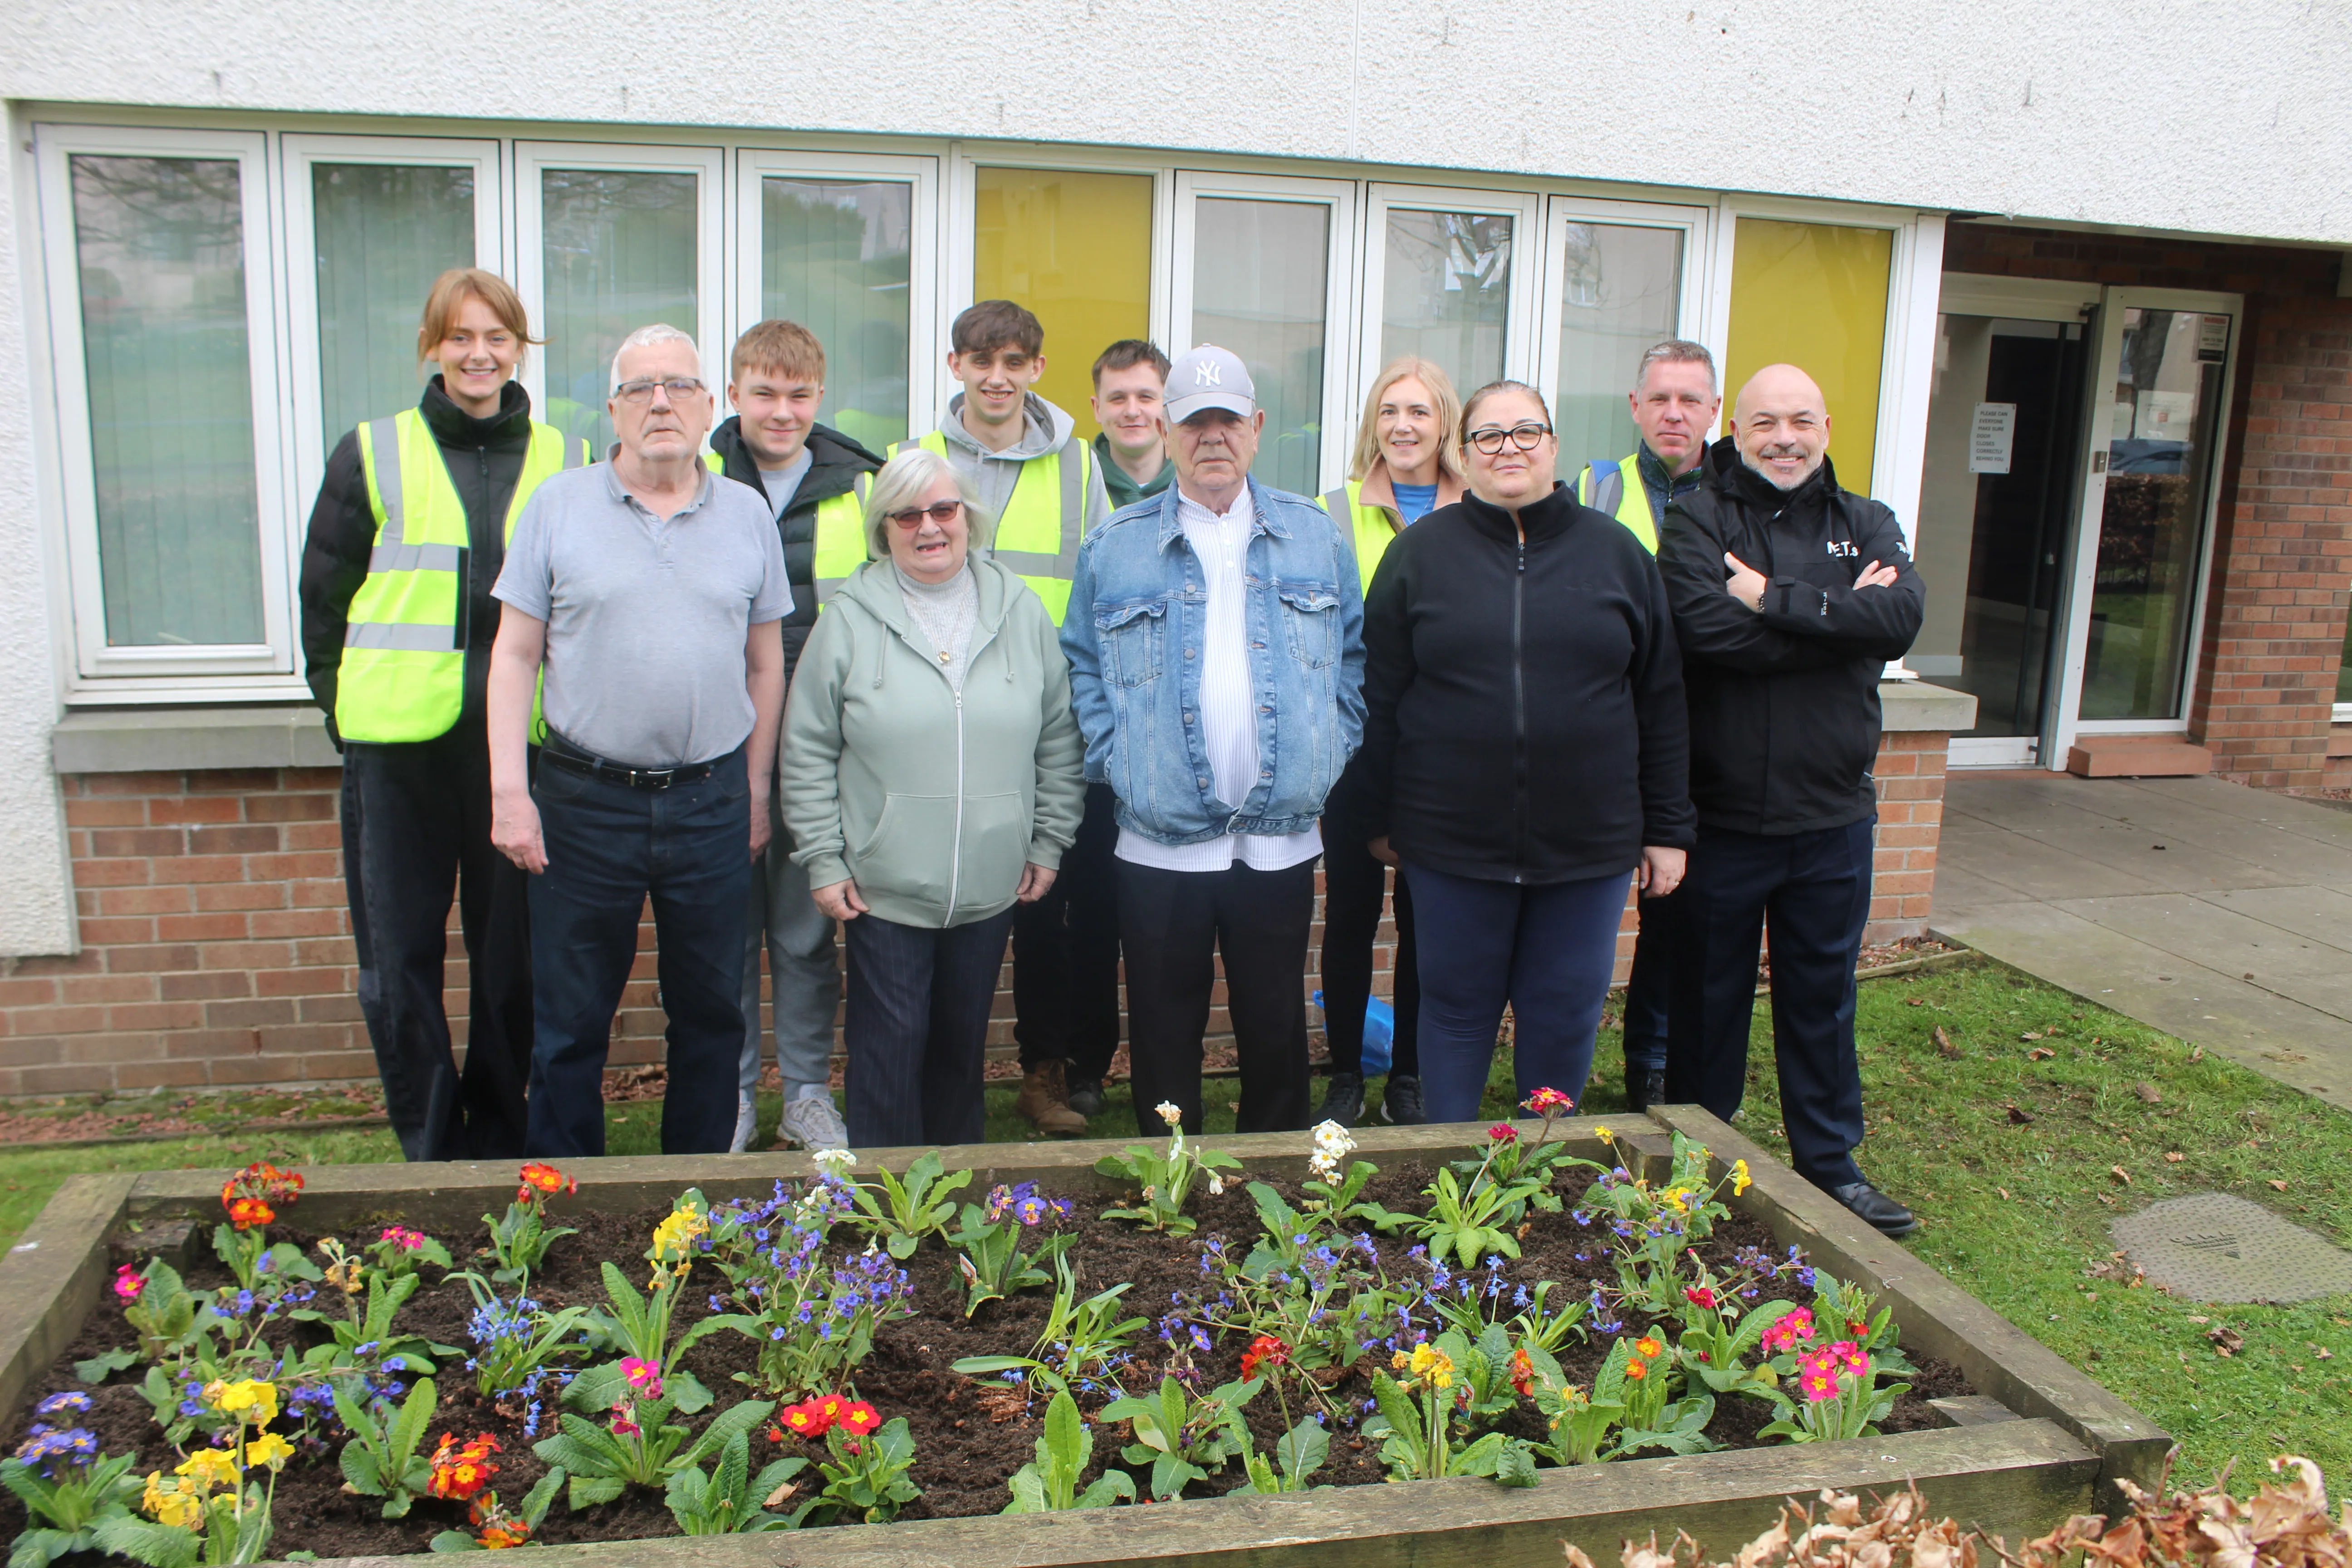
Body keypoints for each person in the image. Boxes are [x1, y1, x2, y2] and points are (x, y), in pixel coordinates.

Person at [299, 267, 588, 1163]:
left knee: (515, 968)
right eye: (460, 337)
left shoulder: (569, 459)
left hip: (523, 754)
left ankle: (500, 1141)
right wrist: (349, 720)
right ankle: (432, 1149)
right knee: (400, 966)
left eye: (496, 336)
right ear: (433, 347)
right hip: (396, 754)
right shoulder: (371, 450)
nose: (478, 353)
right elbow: (324, 603)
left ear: (519, 348)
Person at [486, 323, 789, 1158]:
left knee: (710, 1016)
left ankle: (689, 1208)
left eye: (679, 385)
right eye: (639, 388)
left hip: (710, 800)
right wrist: (511, 793)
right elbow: (513, 655)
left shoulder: (745, 514)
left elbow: (765, 666)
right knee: (571, 1019)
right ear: (612, 410)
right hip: (584, 801)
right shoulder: (557, 505)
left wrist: (755, 791)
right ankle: (561, 1201)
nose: (660, 402)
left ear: (709, 405)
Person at [1358, 381, 1693, 1122]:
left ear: (1552, 446)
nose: (1507, 448)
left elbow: (1660, 699)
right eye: (1488, 435)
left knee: (1563, 1009)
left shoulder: (1618, 556)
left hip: (1588, 847)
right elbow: (1379, 700)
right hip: (1450, 843)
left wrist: (1667, 830)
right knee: (1452, 1010)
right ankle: (1449, 1183)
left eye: (1525, 432)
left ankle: (1538, 1176)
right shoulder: (1417, 557)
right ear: (1465, 453)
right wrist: (1378, 816)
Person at [1061, 344, 1365, 1137]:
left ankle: (1278, 1184)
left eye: (1227, 420)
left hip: (1279, 844)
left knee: (1274, 1027)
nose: (1211, 438)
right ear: (1166, 432)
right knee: (1163, 1030)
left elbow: (1351, 662)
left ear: (1255, 427)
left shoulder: (1316, 538)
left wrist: (1327, 750)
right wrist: (1118, 760)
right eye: (1193, 423)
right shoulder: (1114, 547)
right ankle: (1172, 1184)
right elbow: (1081, 670)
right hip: (1158, 847)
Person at [1657, 362, 1926, 1238]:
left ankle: (1829, 1166)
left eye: (1800, 420)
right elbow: (1704, 630)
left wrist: (1772, 599)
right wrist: (1836, 624)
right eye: (1764, 420)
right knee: (1707, 999)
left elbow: (1897, 622)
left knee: (1822, 996)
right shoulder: (1697, 515)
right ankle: (1696, 1159)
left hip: (1831, 818)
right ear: (1732, 429)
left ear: (1825, 426)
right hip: (1721, 818)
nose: (1783, 437)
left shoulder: (1867, 520)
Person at [780, 448, 1083, 1148]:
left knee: (959, 1051)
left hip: (990, 880)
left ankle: (957, 1213)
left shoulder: (1020, 611)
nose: (929, 528)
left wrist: (1047, 840)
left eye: (943, 510)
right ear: (883, 529)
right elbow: (807, 747)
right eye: (907, 515)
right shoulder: (850, 619)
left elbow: (1058, 738)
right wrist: (824, 859)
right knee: (890, 1049)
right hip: (884, 886)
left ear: (967, 518)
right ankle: (890, 1224)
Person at [893, 299, 1113, 1136]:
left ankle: (1040, 1075)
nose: (997, 376)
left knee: (1044, 914)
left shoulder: (1077, 466)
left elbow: (1091, 597)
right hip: (943, 720)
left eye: (1014, 360)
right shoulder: (915, 461)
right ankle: (929, 1079)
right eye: (980, 360)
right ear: (955, 366)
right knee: (940, 901)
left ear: (1035, 368)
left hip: (1041, 720)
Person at [705, 319, 884, 1154]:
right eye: (764, 393)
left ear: (820, 397)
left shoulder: (862, 488)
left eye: (799, 395)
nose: (782, 411)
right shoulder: (695, 475)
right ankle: (733, 1096)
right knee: (725, 936)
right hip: (713, 749)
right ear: (733, 393)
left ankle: (807, 1094)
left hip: (825, 755)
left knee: (807, 932)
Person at [1313, 357, 1468, 1127]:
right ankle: (1344, 1070)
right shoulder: (1330, 511)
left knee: (1425, 922)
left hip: (1442, 758)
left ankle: (1408, 1072)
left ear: (1445, 423)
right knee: (1347, 916)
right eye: (1386, 412)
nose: (1401, 427)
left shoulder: (1481, 509)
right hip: (1353, 749)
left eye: (1417, 411)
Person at [1574, 338, 1723, 1114]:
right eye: (1659, 399)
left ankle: (1652, 1066)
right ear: (1634, 407)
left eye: (1689, 400)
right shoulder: (1593, 489)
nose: (1673, 414)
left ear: (1712, 411)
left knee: (1676, 911)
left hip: (1704, 732)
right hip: (1607, 736)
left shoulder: (1734, 495)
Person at [1092, 339, 1175, 510]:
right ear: (1097, 409)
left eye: (1145, 397)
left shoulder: (1197, 482)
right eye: (1118, 398)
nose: (1132, 411)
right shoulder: (1075, 482)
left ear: (1168, 406)